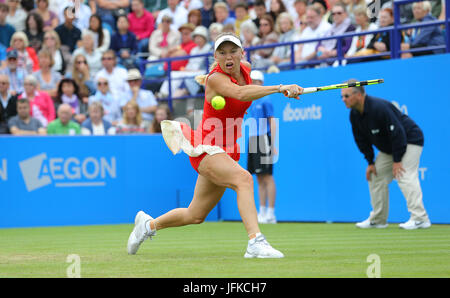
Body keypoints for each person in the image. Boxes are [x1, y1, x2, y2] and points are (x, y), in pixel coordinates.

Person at [126, 32, 303, 258]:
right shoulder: (215, 78)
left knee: (195, 214)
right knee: (244, 179)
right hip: (207, 148)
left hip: (226, 150)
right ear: (215, 56)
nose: (228, 57)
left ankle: (147, 226)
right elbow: (239, 93)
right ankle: (255, 242)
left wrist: (286, 89)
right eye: (222, 52)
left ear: (242, 53)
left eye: (233, 51)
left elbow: (246, 91)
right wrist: (280, 88)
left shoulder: (246, 68)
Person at [341, 79, 431, 230]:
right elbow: (361, 140)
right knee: (375, 175)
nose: (343, 99)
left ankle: (420, 218)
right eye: (342, 96)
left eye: (346, 96)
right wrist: (370, 162)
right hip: (390, 147)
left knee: (403, 174)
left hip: (409, 140)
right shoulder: (354, 115)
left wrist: (397, 161)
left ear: (359, 95)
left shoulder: (379, 107)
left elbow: (398, 133)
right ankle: (379, 220)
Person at [247, 70, 278, 224]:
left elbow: (272, 122)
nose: (253, 83)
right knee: (259, 178)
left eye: (256, 81)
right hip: (252, 139)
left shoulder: (266, 99)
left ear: (261, 83)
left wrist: (274, 143)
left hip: (264, 139)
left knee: (267, 176)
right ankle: (262, 212)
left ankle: (271, 214)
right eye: (251, 81)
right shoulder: (251, 100)